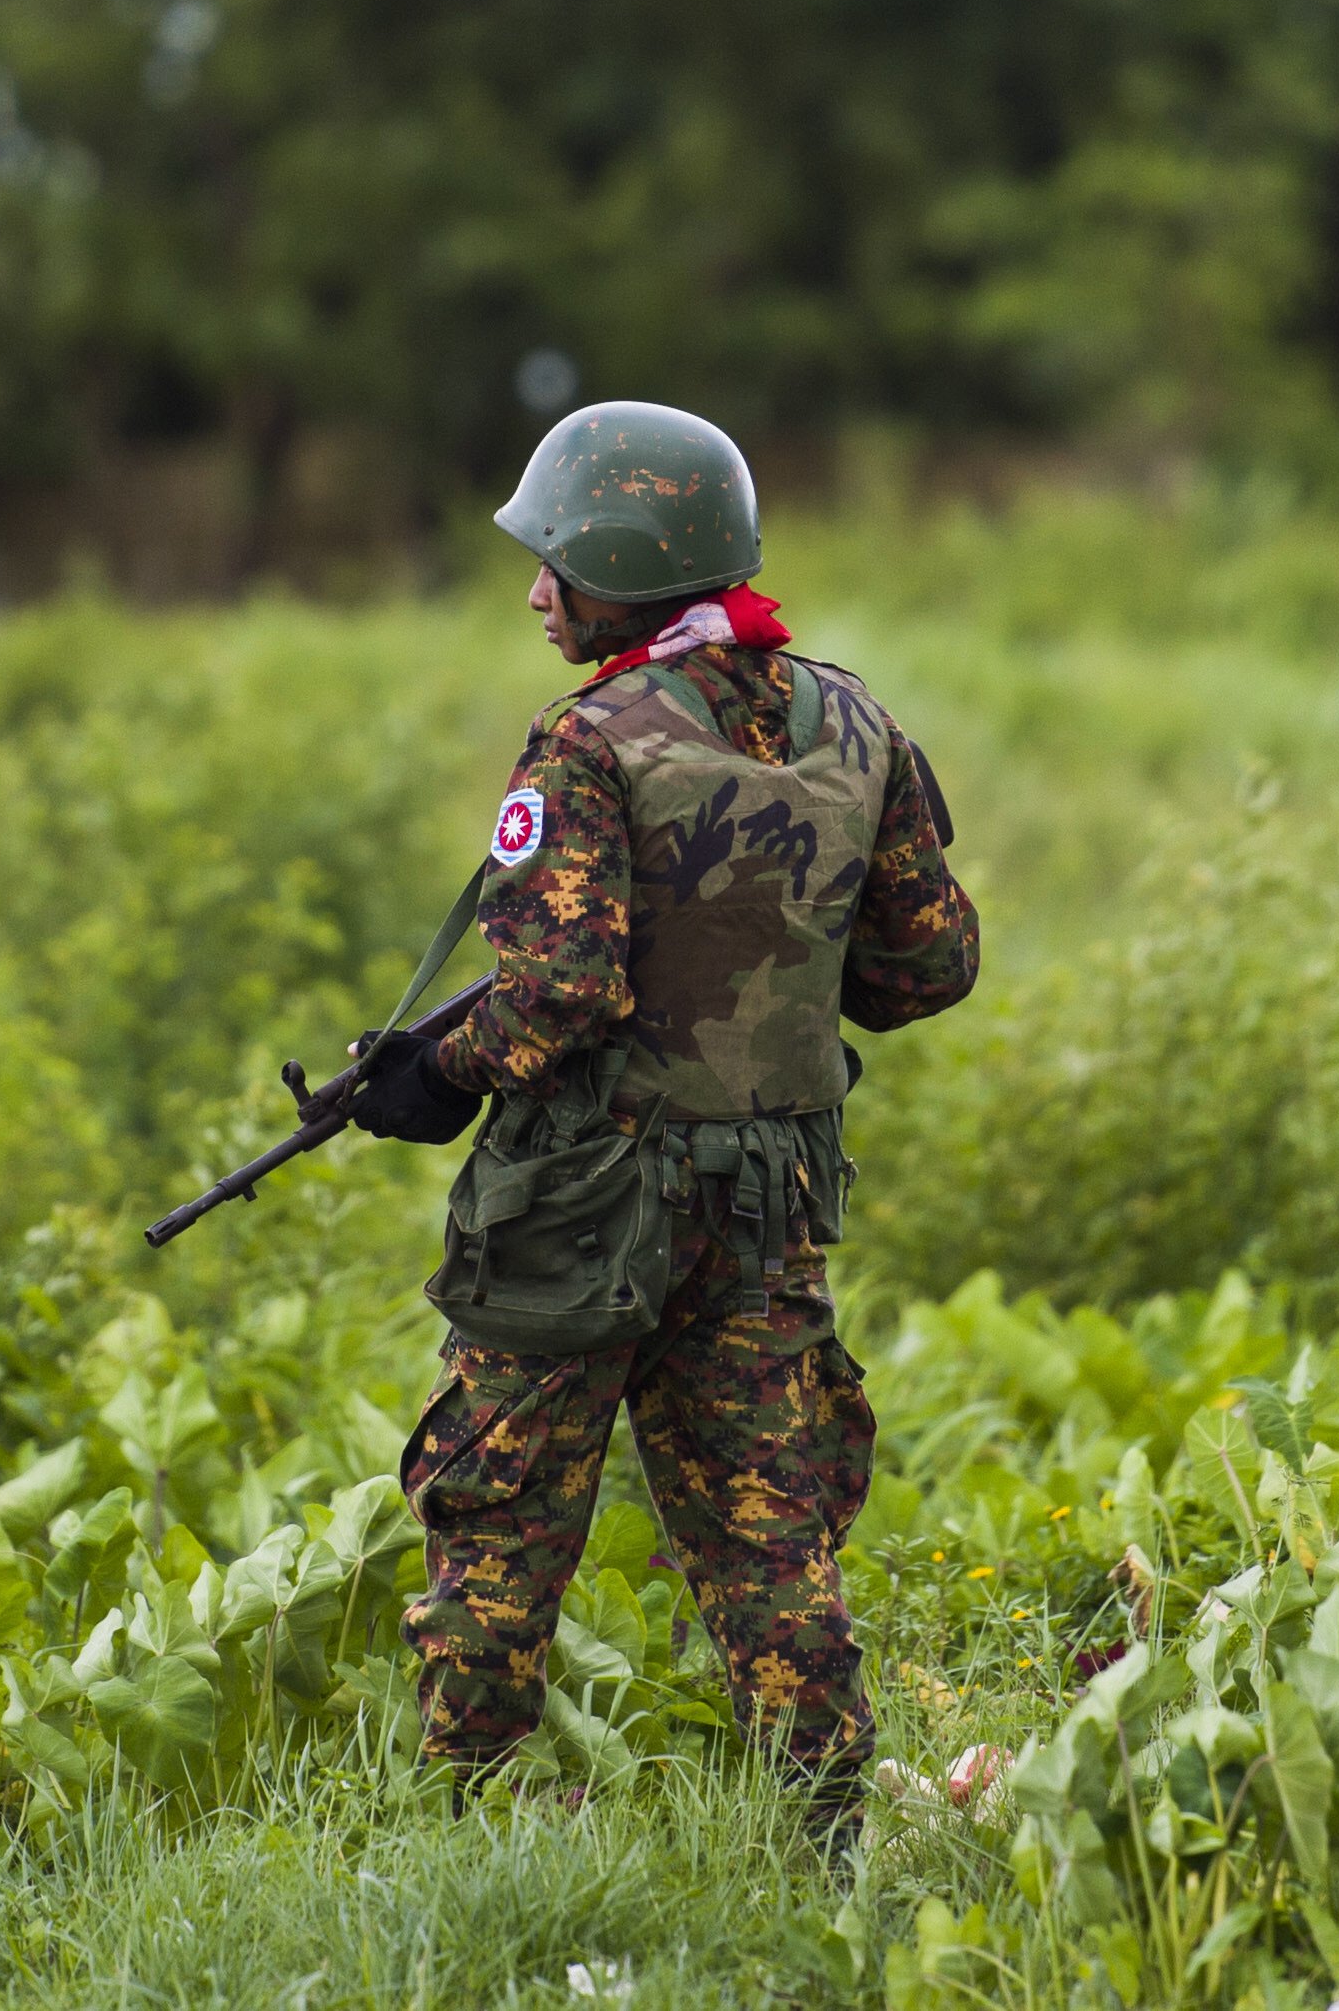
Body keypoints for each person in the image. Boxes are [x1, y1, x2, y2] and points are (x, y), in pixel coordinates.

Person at [342, 399, 979, 1855]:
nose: (534, 588)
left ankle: (452, 1825)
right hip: (766, 1201)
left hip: (583, 1206)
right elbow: (930, 964)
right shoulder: (857, 719)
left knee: (498, 1512)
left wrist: (441, 1077)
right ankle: (827, 1838)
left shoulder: (590, 740)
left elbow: (560, 992)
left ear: (620, 566)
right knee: (771, 1531)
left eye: (554, 559)